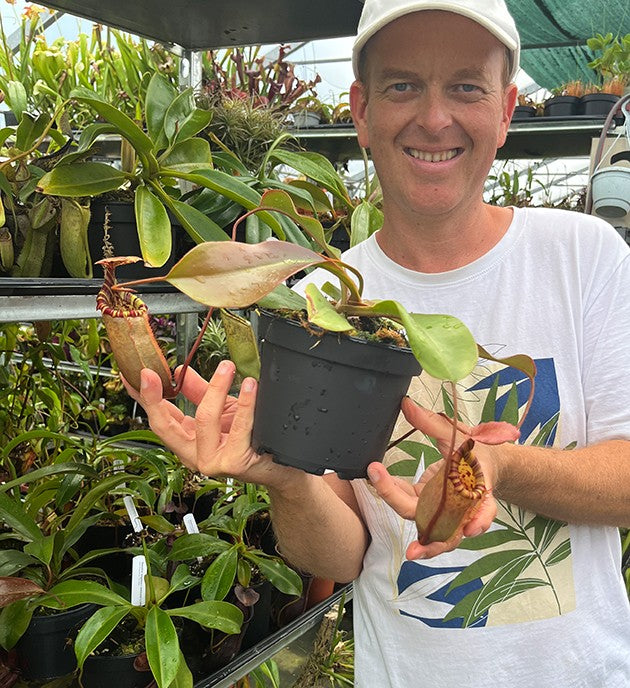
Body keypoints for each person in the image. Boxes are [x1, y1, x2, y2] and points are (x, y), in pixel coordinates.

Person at [128, 0, 630, 685]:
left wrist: (502, 468)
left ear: (507, 110)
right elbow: (341, 555)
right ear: (361, 111)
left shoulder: (583, 257)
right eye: (403, 85)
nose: (433, 117)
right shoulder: (324, 308)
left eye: (465, 86)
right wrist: (286, 478)